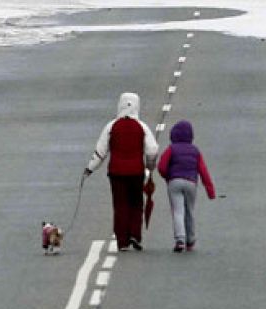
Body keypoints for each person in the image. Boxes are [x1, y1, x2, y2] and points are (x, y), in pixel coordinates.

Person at [84, 92, 158, 251]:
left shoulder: (111, 126)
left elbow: (100, 151)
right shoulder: (141, 126)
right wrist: (150, 166)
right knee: (136, 203)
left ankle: (122, 240)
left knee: (120, 205)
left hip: (116, 172)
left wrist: (90, 168)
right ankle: (135, 235)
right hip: (136, 172)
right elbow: (152, 149)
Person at [155, 120, 216, 252]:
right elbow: (203, 171)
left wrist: (167, 176)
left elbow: (161, 167)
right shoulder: (195, 151)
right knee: (189, 211)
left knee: (178, 211)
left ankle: (180, 239)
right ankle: (190, 240)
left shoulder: (171, 149)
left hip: (175, 182)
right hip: (191, 183)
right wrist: (210, 191)